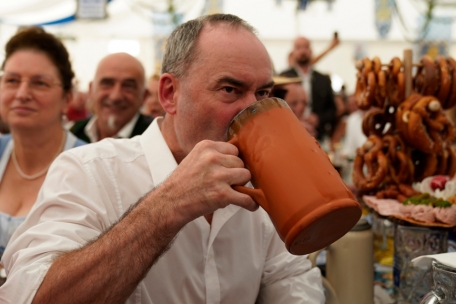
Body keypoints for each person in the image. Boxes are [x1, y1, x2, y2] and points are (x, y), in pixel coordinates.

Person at [0, 14, 324, 303]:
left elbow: (291, 278)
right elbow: (29, 295)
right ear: (170, 94)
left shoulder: (264, 182)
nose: (252, 109)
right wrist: (169, 204)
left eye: (263, 94)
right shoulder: (89, 170)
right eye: (230, 89)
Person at [0, 27, 86, 255]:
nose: (22, 94)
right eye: (12, 80)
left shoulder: (88, 166)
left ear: (67, 97)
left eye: (40, 83)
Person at [70, 53, 153, 142]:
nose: (115, 96)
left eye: (128, 86)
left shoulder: (156, 139)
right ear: (91, 90)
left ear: (144, 96)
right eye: (107, 84)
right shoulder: (73, 134)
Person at [281, 36, 337, 141]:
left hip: (318, 136)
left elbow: (332, 110)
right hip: (289, 135)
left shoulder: (323, 79)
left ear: (311, 50)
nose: (303, 51)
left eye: (305, 47)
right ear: (293, 51)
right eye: (298, 47)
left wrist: (319, 119)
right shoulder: (283, 78)